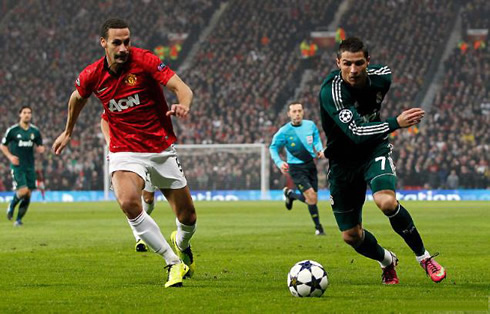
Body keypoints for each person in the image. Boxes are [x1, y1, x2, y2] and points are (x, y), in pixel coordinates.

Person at [52, 18, 196, 288]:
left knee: (188, 217)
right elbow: (76, 99)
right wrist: (68, 131)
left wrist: (183, 104)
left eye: (126, 42)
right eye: (117, 42)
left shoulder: (146, 61)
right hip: (125, 149)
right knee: (129, 202)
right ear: (103, 43)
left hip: (160, 148)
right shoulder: (92, 75)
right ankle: (172, 263)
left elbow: (182, 88)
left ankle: (181, 243)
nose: (123, 48)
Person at [318, 37, 446, 284]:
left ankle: (424, 257)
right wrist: (395, 123)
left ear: (368, 62)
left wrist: (385, 128)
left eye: (358, 63)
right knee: (351, 236)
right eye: (347, 64)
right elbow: (354, 132)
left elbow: (368, 119)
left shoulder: (382, 77)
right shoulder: (331, 92)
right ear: (338, 63)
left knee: (386, 202)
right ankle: (387, 260)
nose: (353, 70)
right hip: (343, 163)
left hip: (373, 150)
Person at [101, 117, 156, 252]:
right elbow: (104, 120)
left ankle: (142, 228)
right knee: (131, 199)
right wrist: (110, 143)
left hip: (149, 151)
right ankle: (139, 237)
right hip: (127, 155)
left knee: (148, 198)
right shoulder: (118, 99)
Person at [269, 103, 325, 236]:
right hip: (296, 168)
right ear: (289, 114)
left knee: (313, 199)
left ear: (303, 112)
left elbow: (316, 139)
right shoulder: (284, 131)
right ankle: (319, 228)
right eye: (294, 111)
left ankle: (290, 195)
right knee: (311, 197)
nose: (297, 114)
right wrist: (279, 162)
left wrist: (320, 149)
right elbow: (273, 147)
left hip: (310, 165)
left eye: (299, 111)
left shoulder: (310, 125)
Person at [1, 106, 45, 226]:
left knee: (28, 194)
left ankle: (18, 220)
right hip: (17, 166)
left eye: (29, 113)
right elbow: (3, 146)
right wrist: (10, 157)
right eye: (24, 112)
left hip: (30, 166)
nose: (27, 115)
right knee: (23, 190)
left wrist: (41, 149)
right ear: (20, 114)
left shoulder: (35, 131)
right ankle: (12, 204)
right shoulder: (13, 130)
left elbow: (40, 145)